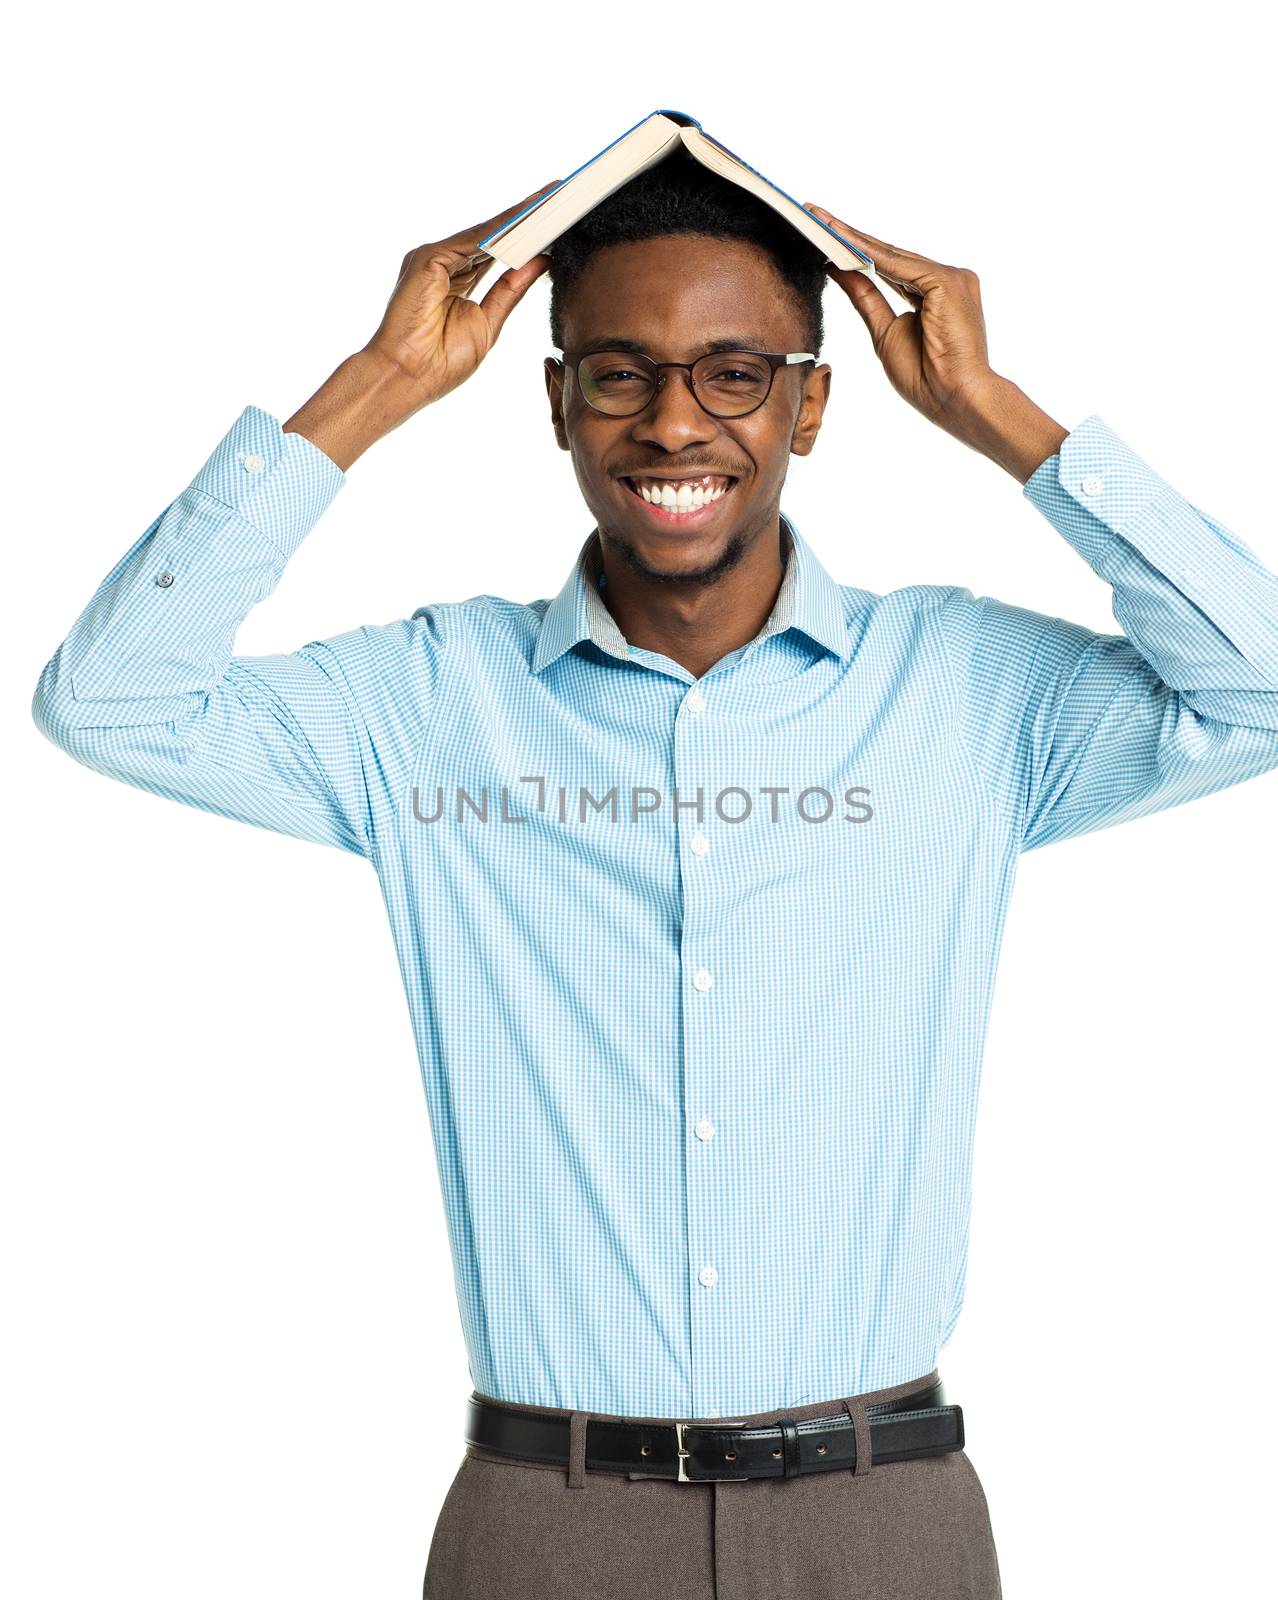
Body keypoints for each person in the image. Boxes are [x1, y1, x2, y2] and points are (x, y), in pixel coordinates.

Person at [31, 149, 1278, 1600]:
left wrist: (999, 419)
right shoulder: (425, 701)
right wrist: (372, 383)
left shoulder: (967, 688)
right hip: (547, 1522)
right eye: (617, 374)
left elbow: (1255, 690)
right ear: (553, 401)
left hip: (880, 1520)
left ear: (814, 402)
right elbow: (110, 702)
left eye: (734, 371)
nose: (673, 419)